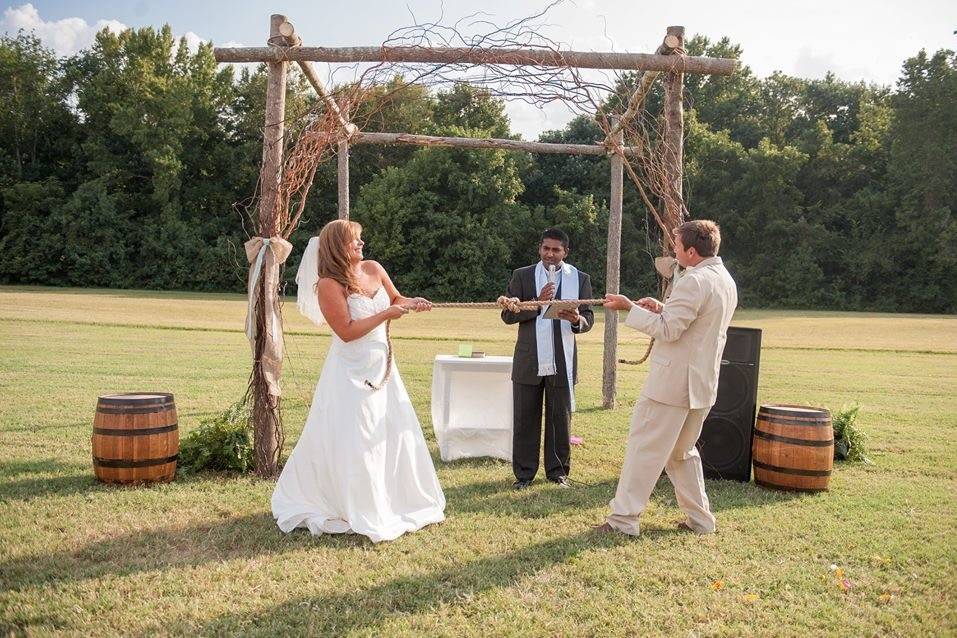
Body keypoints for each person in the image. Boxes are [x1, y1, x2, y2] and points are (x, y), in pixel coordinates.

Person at [271, 219, 446, 543]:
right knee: (358, 436)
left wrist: (413, 302)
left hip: (383, 369)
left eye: (361, 239)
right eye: (355, 240)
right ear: (339, 246)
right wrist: (385, 316)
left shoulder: (374, 268)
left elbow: (397, 299)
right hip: (350, 373)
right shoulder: (328, 284)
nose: (361, 245)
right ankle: (353, 504)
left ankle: (391, 500)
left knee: (389, 433)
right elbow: (347, 331)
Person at [596, 219, 737, 536]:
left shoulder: (693, 280)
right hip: (701, 386)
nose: (673, 251)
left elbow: (669, 330)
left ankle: (622, 521)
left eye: (676, 246)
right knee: (680, 454)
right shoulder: (724, 280)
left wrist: (628, 307)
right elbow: (692, 323)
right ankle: (701, 521)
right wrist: (663, 308)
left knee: (644, 449)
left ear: (690, 250)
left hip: (672, 386)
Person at [501, 228, 594, 489]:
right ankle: (524, 475)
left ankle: (557, 473)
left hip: (562, 360)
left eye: (556, 250)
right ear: (539, 248)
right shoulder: (522, 275)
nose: (550, 254)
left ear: (566, 252)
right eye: (546, 248)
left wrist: (577, 320)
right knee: (525, 419)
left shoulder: (580, 278)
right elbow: (508, 316)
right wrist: (536, 303)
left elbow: (589, 319)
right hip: (529, 360)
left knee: (559, 421)